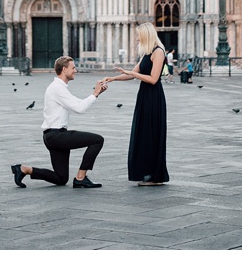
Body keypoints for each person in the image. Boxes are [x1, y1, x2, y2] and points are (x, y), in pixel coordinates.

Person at [10, 55, 108, 189]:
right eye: (73, 68)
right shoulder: (57, 88)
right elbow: (79, 109)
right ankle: (81, 177)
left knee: (61, 178)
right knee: (97, 140)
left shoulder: (58, 87)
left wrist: (96, 93)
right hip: (57, 136)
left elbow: (77, 103)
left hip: (52, 136)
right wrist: (95, 94)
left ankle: (24, 169)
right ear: (64, 69)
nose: (76, 70)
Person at [104, 23, 169, 186]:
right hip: (144, 96)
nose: (137, 37)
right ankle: (147, 172)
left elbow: (153, 79)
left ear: (147, 35)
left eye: (139, 35)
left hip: (154, 97)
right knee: (144, 133)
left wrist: (133, 73)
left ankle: (155, 176)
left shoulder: (158, 52)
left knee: (152, 133)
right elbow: (132, 75)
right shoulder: (147, 53)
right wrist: (113, 79)